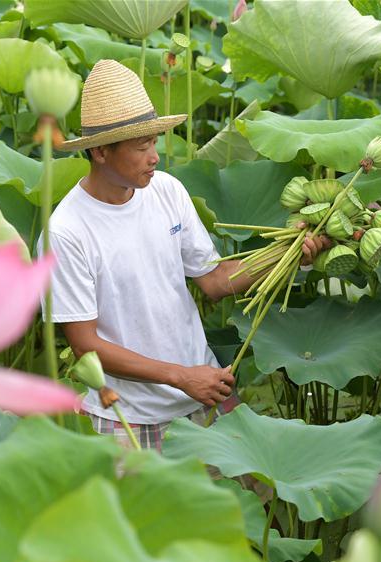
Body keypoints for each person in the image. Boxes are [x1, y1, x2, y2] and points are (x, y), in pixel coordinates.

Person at [39, 60, 328, 449]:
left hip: (206, 396)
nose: (154, 156)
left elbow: (214, 280)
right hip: (126, 418)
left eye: (154, 142)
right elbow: (85, 346)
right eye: (142, 146)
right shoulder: (66, 231)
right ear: (102, 152)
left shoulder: (167, 191)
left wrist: (290, 254)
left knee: (252, 503)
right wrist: (181, 377)